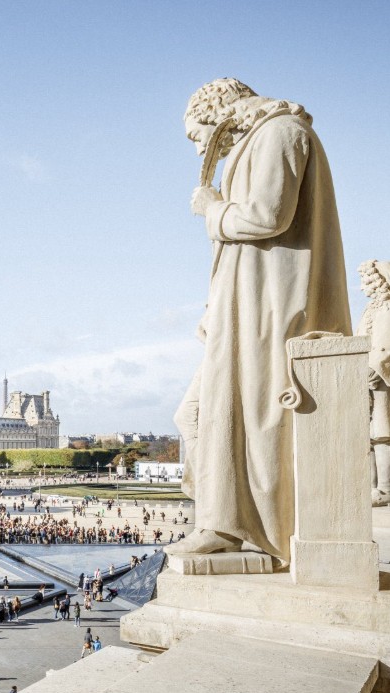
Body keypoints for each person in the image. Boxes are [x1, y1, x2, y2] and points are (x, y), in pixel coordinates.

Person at [171, 78, 350, 563]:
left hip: (268, 305)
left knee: (241, 414)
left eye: (196, 135)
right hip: (243, 303)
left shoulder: (281, 132)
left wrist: (211, 209)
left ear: (218, 110)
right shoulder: (260, 139)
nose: (201, 146)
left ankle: (231, 525)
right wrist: (214, 306)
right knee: (203, 413)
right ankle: (222, 518)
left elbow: (268, 216)